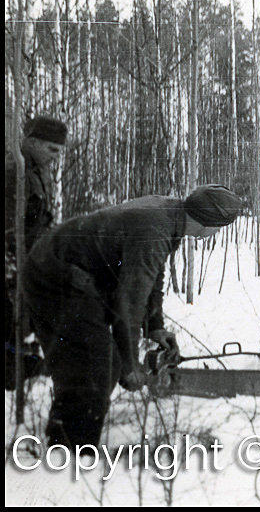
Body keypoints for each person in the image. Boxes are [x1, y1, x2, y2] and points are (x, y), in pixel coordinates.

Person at [22, 184, 244, 449]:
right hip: (56, 275)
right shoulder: (155, 228)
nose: (219, 232)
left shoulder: (170, 214)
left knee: (97, 360)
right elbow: (130, 299)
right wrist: (131, 364)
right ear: (208, 223)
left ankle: (69, 433)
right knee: (97, 361)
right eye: (221, 226)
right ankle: (70, 449)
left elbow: (152, 275)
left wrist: (155, 327)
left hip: (62, 269)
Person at [5, 115, 68, 391]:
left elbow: (40, 220)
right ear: (32, 142)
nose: (56, 157)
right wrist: (12, 273)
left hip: (28, 259)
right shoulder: (12, 171)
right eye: (52, 149)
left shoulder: (37, 170)